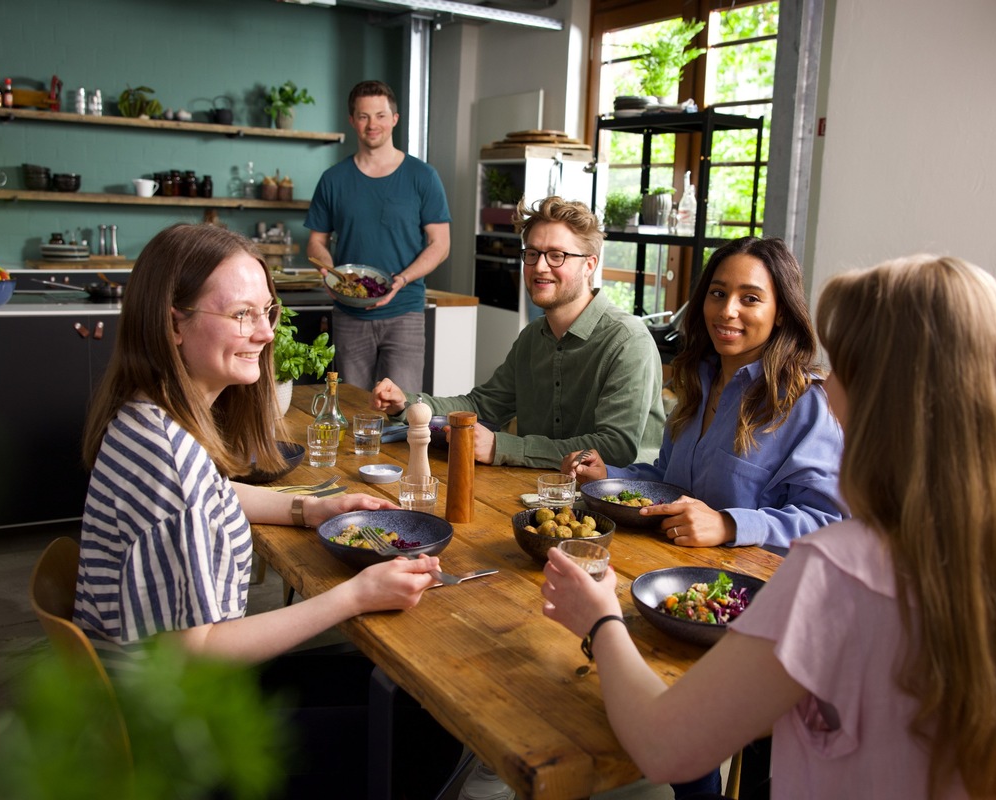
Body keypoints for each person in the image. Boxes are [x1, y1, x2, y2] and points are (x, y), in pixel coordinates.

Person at [541, 254, 996, 799]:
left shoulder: (836, 569)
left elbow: (666, 747)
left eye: (840, 367)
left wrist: (601, 621)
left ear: (882, 397)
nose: (826, 383)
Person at [73, 223, 459, 797]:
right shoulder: (170, 462)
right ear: (173, 322)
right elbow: (199, 654)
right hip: (182, 738)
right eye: (241, 315)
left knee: (405, 687)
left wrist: (312, 509)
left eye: (268, 312)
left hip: (160, 700)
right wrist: (354, 595)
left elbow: (213, 496)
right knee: (437, 726)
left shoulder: (146, 417)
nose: (265, 333)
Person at [561, 237, 845, 552]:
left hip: (750, 591)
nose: (727, 310)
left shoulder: (808, 402)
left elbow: (826, 522)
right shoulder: (699, 382)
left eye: (750, 298)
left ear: (780, 312)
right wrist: (607, 476)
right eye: (718, 294)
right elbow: (669, 482)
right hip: (670, 570)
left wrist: (729, 525)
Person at [371, 195, 666, 470]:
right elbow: (481, 405)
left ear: (589, 265)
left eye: (557, 256)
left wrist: (503, 446)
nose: (540, 267)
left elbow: (615, 449)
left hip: (622, 506)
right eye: (533, 253)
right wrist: (407, 403)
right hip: (539, 491)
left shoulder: (628, 341)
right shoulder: (532, 336)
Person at [305, 79, 450, 394]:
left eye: (381, 115)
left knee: (403, 410)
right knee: (352, 407)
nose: (373, 125)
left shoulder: (423, 176)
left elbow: (440, 245)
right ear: (352, 120)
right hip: (349, 314)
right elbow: (317, 241)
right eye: (363, 116)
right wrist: (330, 273)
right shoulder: (333, 179)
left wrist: (403, 279)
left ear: (395, 119)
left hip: (405, 311)